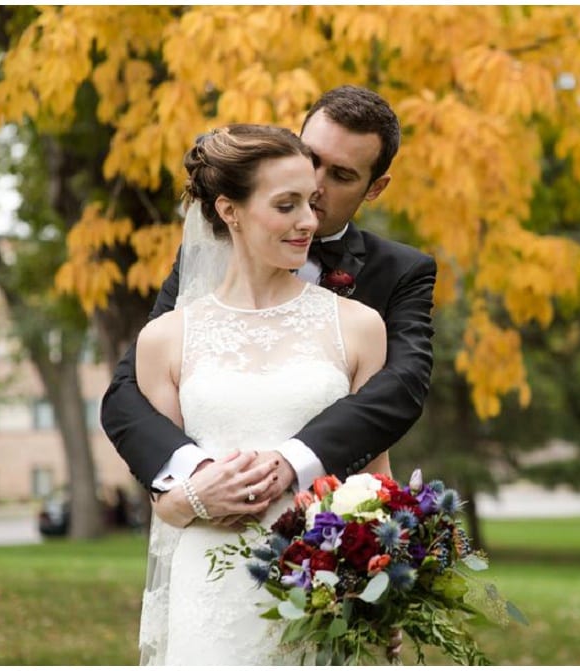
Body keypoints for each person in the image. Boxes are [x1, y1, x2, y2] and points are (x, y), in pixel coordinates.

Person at [100, 85, 436, 516]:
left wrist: (293, 462)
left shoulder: (398, 275)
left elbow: (401, 388)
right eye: (310, 159)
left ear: (375, 188)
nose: (314, 185)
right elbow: (129, 389)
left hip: (321, 522)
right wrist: (197, 476)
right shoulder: (205, 259)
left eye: (342, 175)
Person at [137, 124, 391, 664]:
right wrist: (194, 499)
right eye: (287, 204)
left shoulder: (361, 326)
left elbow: (377, 476)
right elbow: (161, 494)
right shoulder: (164, 339)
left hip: (325, 594)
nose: (309, 221)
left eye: (311, 203)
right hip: (210, 591)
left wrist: (388, 585)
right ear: (230, 211)